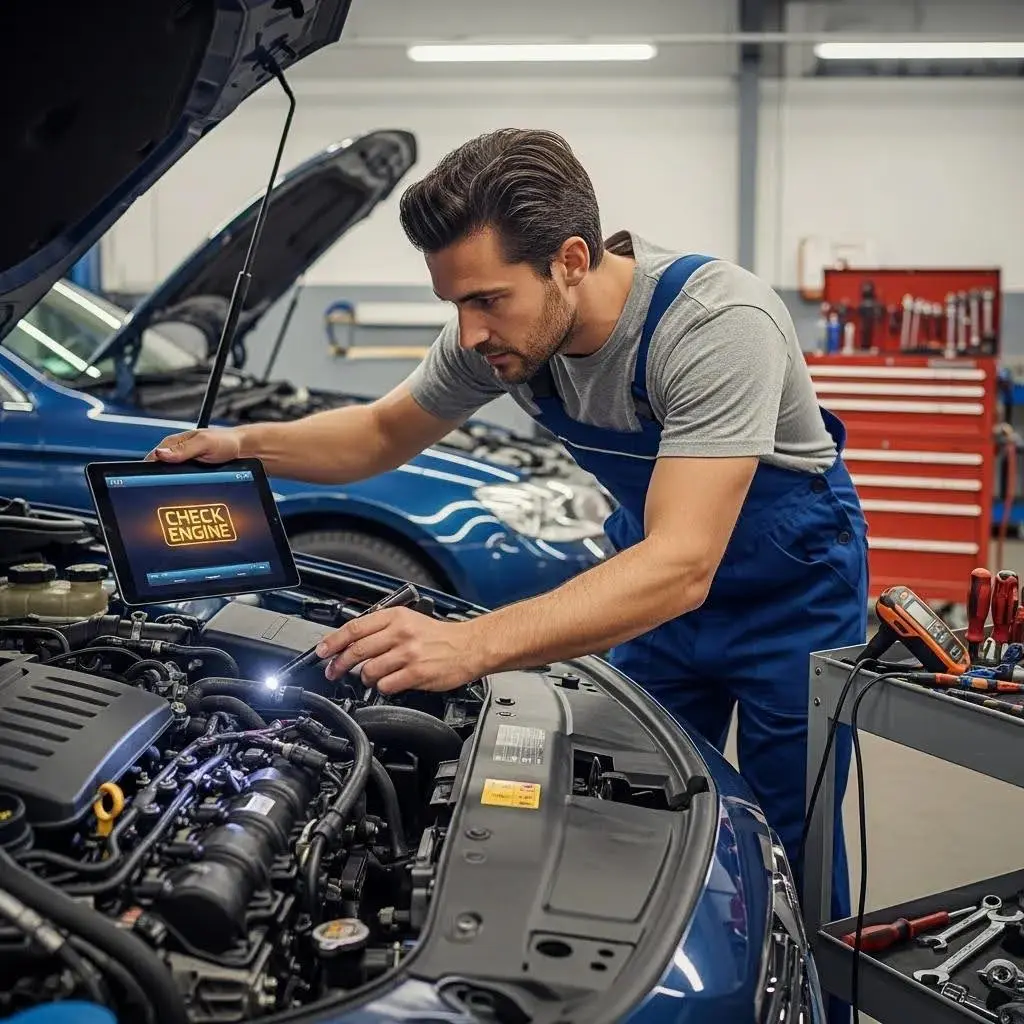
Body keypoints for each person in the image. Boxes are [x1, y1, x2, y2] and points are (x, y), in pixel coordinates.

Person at [151, 128, 866, 967]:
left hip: (790, 598)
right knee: (635, 810)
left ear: (570, 259)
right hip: (660, 589)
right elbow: (380, 435)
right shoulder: (504, 341)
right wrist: (241, 446)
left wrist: (471, 644)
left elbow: (683, 563)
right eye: (455, 304)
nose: (468, 330)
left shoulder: (712, 324)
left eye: (487, 299)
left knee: (798, 843)